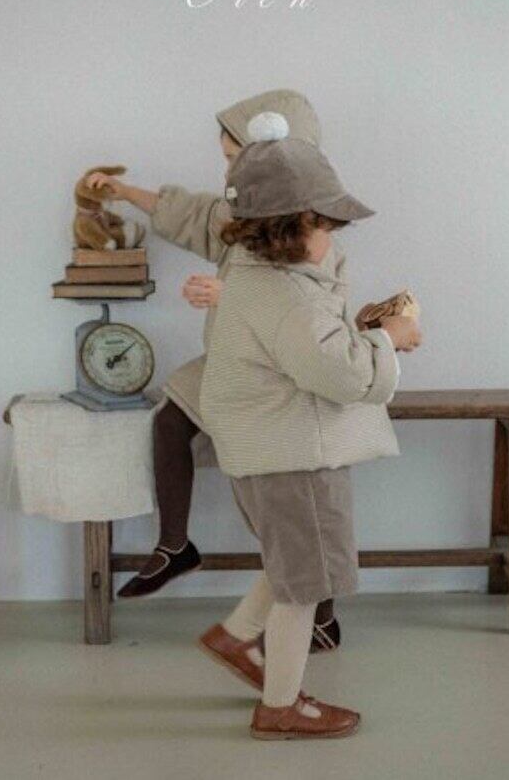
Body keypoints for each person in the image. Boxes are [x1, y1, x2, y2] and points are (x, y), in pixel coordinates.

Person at [84, 90, 344, 652]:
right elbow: (194, 216)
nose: (227, 171)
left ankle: (320, 614)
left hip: (280, 379)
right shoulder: (241, 213)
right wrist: (123, 192)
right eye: (227, 159)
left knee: (283, 509)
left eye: (234, 158)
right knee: (171, 418)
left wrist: (230, 294)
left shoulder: (312, 227)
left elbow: (311, 307)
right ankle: (175, 544)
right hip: (235, 361)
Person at [194, 133, 422, 739]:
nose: (333, 239)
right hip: (294, 455)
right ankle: (281, 706)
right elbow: (340, 374)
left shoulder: (252, 275)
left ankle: (237, 635)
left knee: (295, 558)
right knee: (306, 585)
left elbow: (310, 348)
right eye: (326, 226)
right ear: (294, 227)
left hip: (267, 449)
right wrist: (388, 339)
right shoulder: (288, 295)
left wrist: (360, 329)